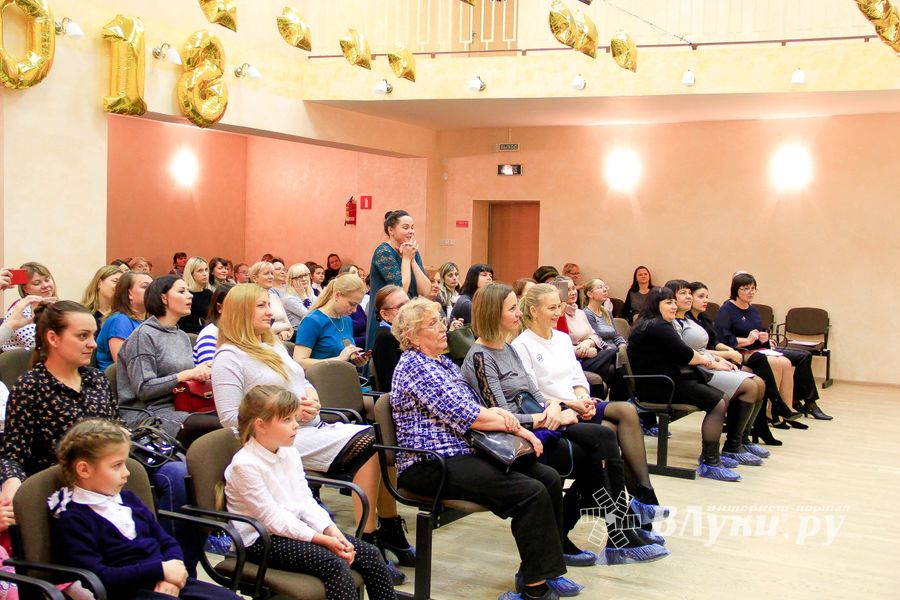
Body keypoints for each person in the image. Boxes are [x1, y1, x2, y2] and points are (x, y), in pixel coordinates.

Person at [211, 284, 413, 581]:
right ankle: (369, 539)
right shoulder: (230, 357)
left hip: (308, 426)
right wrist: (289, 413)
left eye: (269, 304)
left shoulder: (272, 345)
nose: (271, 312)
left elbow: (300, 379)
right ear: (240, 312)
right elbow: (230, 419)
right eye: (261, 306)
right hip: (275, 441)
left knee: (380, 442)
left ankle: (390, 527)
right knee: (369, 444)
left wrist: (311, 396)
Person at [463, 284, 669, 566]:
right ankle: (613, 533)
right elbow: (502, 415)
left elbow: (533, 392)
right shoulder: (481, 356)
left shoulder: (507, 347)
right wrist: (553, 413)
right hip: (522, 435)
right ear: (491, 313)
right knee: (598, 453)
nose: (517, 312)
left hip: (545, 420)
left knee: (605, 441)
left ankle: (617, 532)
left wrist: (552, 406)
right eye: (511, 308)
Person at [390, 298, 577, 600]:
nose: (443, 328)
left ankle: (543, 570)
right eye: (433, 324)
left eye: (441, 320)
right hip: (429, 463)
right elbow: (471, 415)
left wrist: (510, 423)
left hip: (463, 451)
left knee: (548, 477)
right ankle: (535, 589)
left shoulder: (441, 362)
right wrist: (519, 428)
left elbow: (475, 407)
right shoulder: (415, 366)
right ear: (412, 336)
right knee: (529, 491)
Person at [0, 301, 192, 571]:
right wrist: (11, 482)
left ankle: (178, 563)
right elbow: (12, 454)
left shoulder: (95, 379)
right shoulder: (31, 386)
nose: (92, 344)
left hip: (105, 482)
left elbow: (114, 429)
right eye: (82, 336)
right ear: (53, 338)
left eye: (92, 335)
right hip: (66, 494)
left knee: (173, 474)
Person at [225, 386, 396, 600]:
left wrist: (333, 532)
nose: (296, 425)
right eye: (287, 420)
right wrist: (321, 540)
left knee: (370, 554)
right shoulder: (245, 465)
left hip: (294, 529)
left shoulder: (289, 452)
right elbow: (273, 519)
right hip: (260, 540)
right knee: (334, 564)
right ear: (261, 425)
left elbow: (306, 502)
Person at [512, 284, 670, 509]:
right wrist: (573, 404)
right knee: (611, 432)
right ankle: (631, 504)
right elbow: (533, 392)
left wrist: (584, 396)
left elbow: (577, 376)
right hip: (557, 411)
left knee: (627, 410)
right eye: (551, 308)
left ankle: (645, 492)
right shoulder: (522, 345)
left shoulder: (562, 338)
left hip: (578, 403)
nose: (558, 312)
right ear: (534, 311)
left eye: (559, 306)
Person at [49, 419, 240, 600]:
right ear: (84, 470)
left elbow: (166, 541)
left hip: (162, 577)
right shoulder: (73, 517)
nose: (127, 472)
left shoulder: (128, 499)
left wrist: (173, 569)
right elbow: (101, 575)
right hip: (126, 591)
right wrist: (161, 570)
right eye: (117, 466)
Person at [627, 287, 740, 481]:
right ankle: (710, 463)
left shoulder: (653, 323)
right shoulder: (658, 326)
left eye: (673, 302)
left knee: (720, 398)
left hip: (668, 380)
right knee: (719, 402)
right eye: (668, 303)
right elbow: (686, 354)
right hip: (660, 386)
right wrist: (712, 363)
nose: (674, 306)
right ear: (656, 305)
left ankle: (711, 456)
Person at [666, 279, 766, 466]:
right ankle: (732, 446)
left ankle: (742, 439)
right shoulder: (672, 323)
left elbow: (704, 347)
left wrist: (720, 358)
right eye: (683, 293)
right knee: (749, 387)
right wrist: (715, 363)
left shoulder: (688, 319)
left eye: (689, 293)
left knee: (759, 383)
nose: (688, 297)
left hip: (707, 362)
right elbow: (686, 353)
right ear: (670, 298)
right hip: (697, 369)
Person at [687, 281, 797, 448]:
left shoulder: (704, 317)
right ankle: (768, 414)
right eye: (700, 296)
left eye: (707, 297)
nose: (705, 300)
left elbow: (715, 342)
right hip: (709, 364)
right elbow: (701, 350)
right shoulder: (694, 320)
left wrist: (758, 341)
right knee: (757, 373)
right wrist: (730, 352)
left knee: (768, 373)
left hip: (726, 355)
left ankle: (753, 431)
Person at [117, 276, 220, 446]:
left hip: (183, 405)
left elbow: (185, 380)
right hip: (148, 413)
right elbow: (144, 388)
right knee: (221, 427)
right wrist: (186, 374)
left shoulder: (181, 336)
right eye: (181, 291)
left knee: (232, 417)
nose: (190, 296)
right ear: (164, 298)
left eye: (188, 290)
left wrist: (201, 371)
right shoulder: (143, 336)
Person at [715, 273, 832, 421]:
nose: (750, 292)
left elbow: (759, 331)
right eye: (746, 289)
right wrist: (748, 339)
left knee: (786, 362)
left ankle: (788, 408)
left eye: (753, 288)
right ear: (735, 290)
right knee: (776, 362)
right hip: (740, 350)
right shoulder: (727, 310)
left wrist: (765, 338)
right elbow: (723, 339)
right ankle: (773, 412)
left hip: (759, 349)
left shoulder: (752, 310)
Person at [365, 210, 431, 350]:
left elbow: (425, 290)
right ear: (391, 230)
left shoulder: (411, 251)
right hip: (388, 317)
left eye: (412, 227)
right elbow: (401, 290)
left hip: (410, 316)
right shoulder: (384, 252)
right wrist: (406, 259)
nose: (411, 232)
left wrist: (412, 260)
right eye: (406, 227)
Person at [556, 276, 619, 389]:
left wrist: (587, 343)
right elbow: (559, 345)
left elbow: (594, 336)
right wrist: (583, 350)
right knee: (616, 352)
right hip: (576, 358)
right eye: (568, 290)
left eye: (574, 288)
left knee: (615, 366)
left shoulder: (580, 313)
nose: (572, 292)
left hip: (590, 354)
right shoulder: (558, 315)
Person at [294, 276, 369, 369]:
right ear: (337, 295)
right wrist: (339, 360)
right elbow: (299, 362)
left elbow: (343, 352)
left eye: (357, 305)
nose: (355, 310)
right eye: (352, 304)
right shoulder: (312, 321)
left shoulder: (346, 320)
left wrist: (354, 358)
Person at [95, 272, 153, 371]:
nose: (153, 291)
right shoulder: (119, 320)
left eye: (153, 287)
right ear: (129, 293)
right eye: (145, 287)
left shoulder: (150, 320)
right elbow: (125, 365)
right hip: (121, 383)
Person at [1, 262, 58, 352]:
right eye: (37, 283)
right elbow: (33, 342)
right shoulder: (19, 308)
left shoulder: (60, 307)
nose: (45, 286)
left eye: (47, 280)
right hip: (17, 361)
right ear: (25, 289)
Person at [370, 286, 408, 392]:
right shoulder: (385, 337)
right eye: (401, 306)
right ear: (385, 314)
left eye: (409, 304)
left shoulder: (404, 332)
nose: (408, 309)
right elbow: (392, 382)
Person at [247, 261, 293, 341]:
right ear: (255, 278)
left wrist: (285, 332)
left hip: (282, 341)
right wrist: (282, 328)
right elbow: (256, 329)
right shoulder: (250, 298)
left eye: (272, 273)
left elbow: (289, 326)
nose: (271, 277)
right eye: (266, 274)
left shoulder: (274, 297)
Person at [192, 284, 234, 365]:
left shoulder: (241, 333)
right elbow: (210, 374)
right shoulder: (210, 335)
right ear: (219, 308)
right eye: (235, 305)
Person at [583, 278, 625, 350]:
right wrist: (609, 349)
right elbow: (596, 338)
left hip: (614, 349)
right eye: (600, 287)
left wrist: (622, 344)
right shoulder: (587, 313)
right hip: (603, 351)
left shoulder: (606, 312)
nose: (605, 290)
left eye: (605, 287)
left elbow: (616, 335)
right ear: (590, 294)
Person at [81, 265, 122, 330]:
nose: (119, 286)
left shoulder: (123, 314)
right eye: (115, 281)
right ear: (99, 283)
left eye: (121, 283)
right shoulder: (83, 314)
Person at [179, 257, 212, 335]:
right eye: (200, 271)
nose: (205, 274)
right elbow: (182, 324)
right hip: (191, 336)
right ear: (191, 274)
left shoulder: (209, 293)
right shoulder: (186, 295)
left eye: (206, 270)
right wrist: (203, 328)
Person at [282, 263, 313, 329]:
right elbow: (312, 316)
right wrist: (304, 296)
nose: (304, 279)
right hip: (298, 334)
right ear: (291, 280)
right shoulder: (289, 299)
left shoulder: (310, 294)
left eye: (305, 275)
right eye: (299, 276)